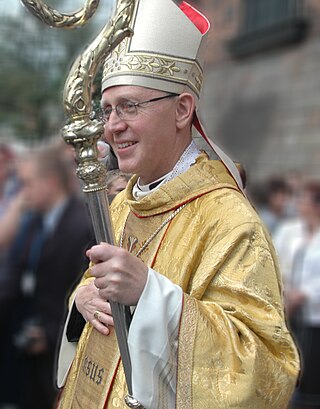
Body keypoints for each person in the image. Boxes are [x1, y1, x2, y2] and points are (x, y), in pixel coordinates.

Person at [56, 1, 299, 408]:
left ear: (183, 109)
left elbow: (264, 370)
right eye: (108, 110)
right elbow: (93, 285)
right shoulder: (120, 205)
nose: (113, 125)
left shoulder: (229, 220)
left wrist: (151, 296)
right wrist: (80, 302)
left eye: (130, 106)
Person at [0, 145, 94, 409]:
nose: (22, 192)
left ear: (50, 182)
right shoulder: (33, 222)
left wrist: (51, 333)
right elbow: (13, 275)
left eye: (28, 183)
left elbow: (82, 289)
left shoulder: (81, 226)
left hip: (61, 355)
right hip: (29, 352)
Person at [274, 181, 320, 409]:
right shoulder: (291, 231)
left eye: (304, 199)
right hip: (289, 311)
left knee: (311, 377)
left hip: (314, 316)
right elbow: (278, 262)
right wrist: (286, 291)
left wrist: (306, 294)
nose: (299, 203)